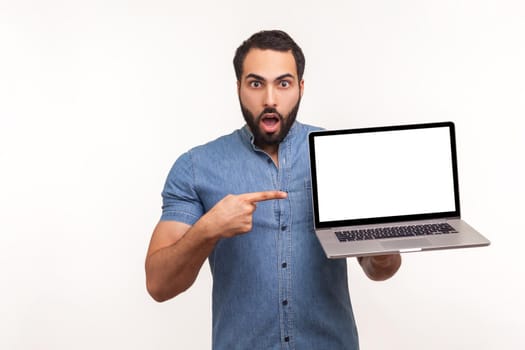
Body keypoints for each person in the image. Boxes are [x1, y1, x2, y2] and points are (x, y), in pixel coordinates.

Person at [145, 30, 402, 349]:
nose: (270, 99)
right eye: (256, 84)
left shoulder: (341, 157)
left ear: (300, 87)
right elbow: (159, 285)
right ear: (238, 87)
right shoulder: (197, 167)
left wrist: (383, 248)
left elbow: (380, 270)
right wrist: (208, 229)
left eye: (283, 83)